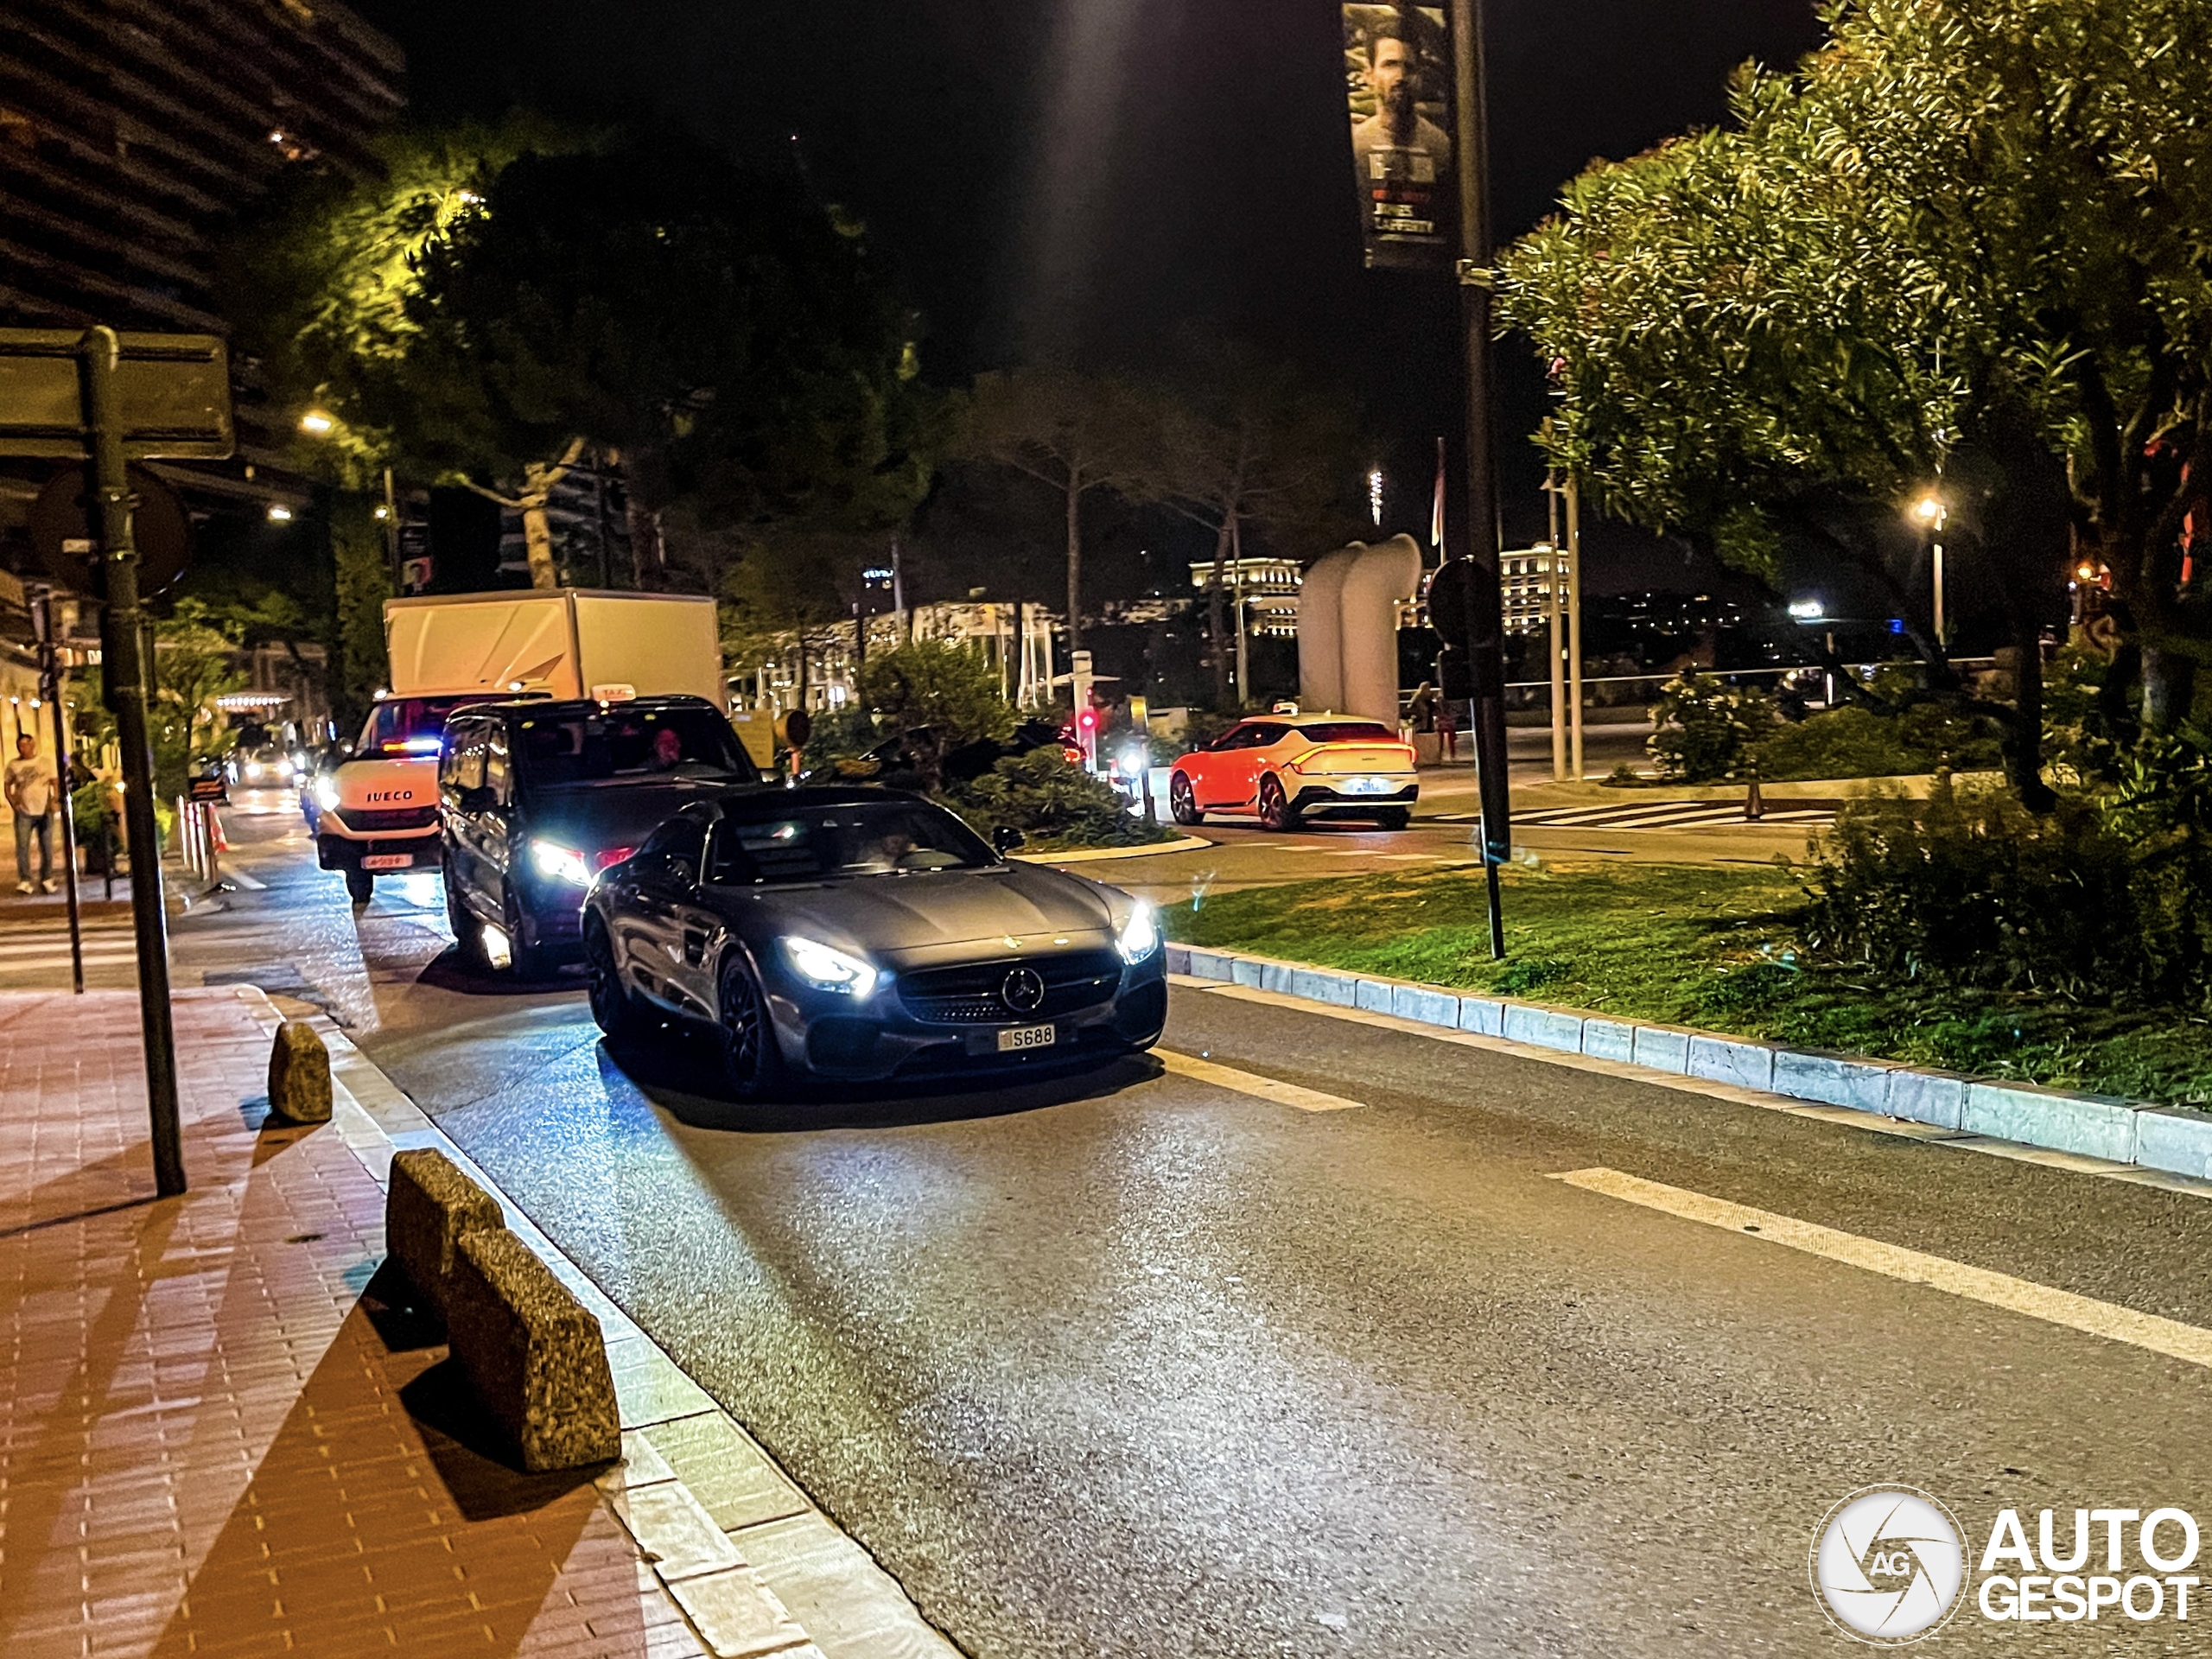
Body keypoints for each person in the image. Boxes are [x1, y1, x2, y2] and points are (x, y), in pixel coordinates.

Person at [1350, 20, 1453, 186]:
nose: (1400, 76)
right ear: (1369, 75)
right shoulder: (1356, 146)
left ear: (1419, 77)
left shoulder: (1441, 148)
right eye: (1389, 64)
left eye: (1409, 67)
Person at [6, 732, 58, 894]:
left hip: (44, 810)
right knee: (22, 846)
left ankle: (47, 878)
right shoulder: (13, 765)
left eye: (26, 745)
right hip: (24, 811)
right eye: (20, 746)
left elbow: (54, 782)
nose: (23, 748)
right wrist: (14, 803)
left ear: (33, 744)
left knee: (47, 846)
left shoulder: (45, 762)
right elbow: (7, 785)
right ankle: (25, 880)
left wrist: (54, 800)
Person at [1435, 696, 1460, 764]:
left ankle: (1441, 755)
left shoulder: (1439, 710)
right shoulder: (1443, 710)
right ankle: (1451, 754)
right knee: (1444, 740)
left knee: (1441, 740)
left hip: (1445, 725)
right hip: (1447, 724)